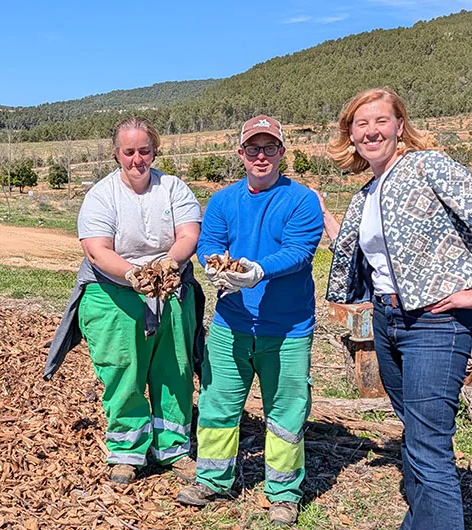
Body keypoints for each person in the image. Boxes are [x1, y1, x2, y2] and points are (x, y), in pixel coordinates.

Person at [324, 88, 472, 529]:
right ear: (350, 135)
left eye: (381, 121)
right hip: (388, 318)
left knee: (428, 442)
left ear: (399, 126)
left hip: (436, 321)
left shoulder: (427, 167)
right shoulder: (368, 192)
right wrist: (334, 228)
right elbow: (376, 256)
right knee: (414, 428)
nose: (371, 131)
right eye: (361, 124)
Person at [176, 115, 323, 527]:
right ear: (240, 153)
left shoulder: (301, 200)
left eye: (270, 148)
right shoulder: (223, 200)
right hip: (231, 322)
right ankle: (212, 479)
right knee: (218, 403)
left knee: (286, 410)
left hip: (287, 327)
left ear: (282, 153)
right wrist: (212, 263)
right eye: (253, 148)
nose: (262, 156)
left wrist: (257, 271)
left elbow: (299, 251)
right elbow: (209, 242)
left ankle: (283, 492)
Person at [44, 116, 205, 486]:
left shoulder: (173, 188)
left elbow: (188, 234)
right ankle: (127, 450)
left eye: (144, 151)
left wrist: (169, 263)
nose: (137, 159)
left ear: (155, 151)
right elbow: (97, 250)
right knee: (123, 371)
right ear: (117, 153)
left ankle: (173, 448)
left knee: (174, 369)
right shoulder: (102, 195)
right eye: (129, 151)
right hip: (114, 292)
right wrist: (132, 275)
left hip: (169, 288)